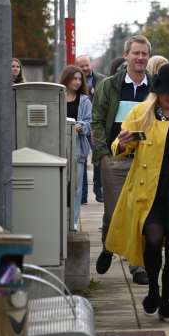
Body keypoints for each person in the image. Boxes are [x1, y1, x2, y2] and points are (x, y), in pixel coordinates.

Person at [105, 63, 169, 322]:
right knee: (152, 240)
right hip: (149, 192)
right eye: (166, 92)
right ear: (157, 91)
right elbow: (119, 144)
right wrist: (123, 142)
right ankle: (153, 288)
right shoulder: (142, 112)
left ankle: (165, 299)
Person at [92, 35, 152, 285]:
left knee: (139, 213)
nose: (140, 58)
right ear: (126, 55)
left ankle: (137, 266)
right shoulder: (110, 85)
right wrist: (104, 154)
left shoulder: (155, 88)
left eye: (144, 54)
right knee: (114, 213)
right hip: (115, 160)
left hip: (146, 161)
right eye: (136, 53)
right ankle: (108, 246)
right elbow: (97, 120)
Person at [60, 65, 92, 230]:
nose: (78, 82)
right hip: (58, 147)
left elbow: (89, 122)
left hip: (77, 148)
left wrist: (81, 126)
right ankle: (59, 219)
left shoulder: (85, 100)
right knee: (59, 186)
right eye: (75, 78)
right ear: (67, 78)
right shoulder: (57, 96)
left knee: (76, 187)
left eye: (80, 79)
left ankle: (73, 221)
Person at [76, 55, 107, 204]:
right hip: (81, 125)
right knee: (80, 158)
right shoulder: (74, 81)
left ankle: (99, 191)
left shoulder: (102, 79)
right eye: (81, 66)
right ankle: (81, 195)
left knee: (99, 158)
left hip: (97, 125)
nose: (85, 68)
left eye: (87, 65)